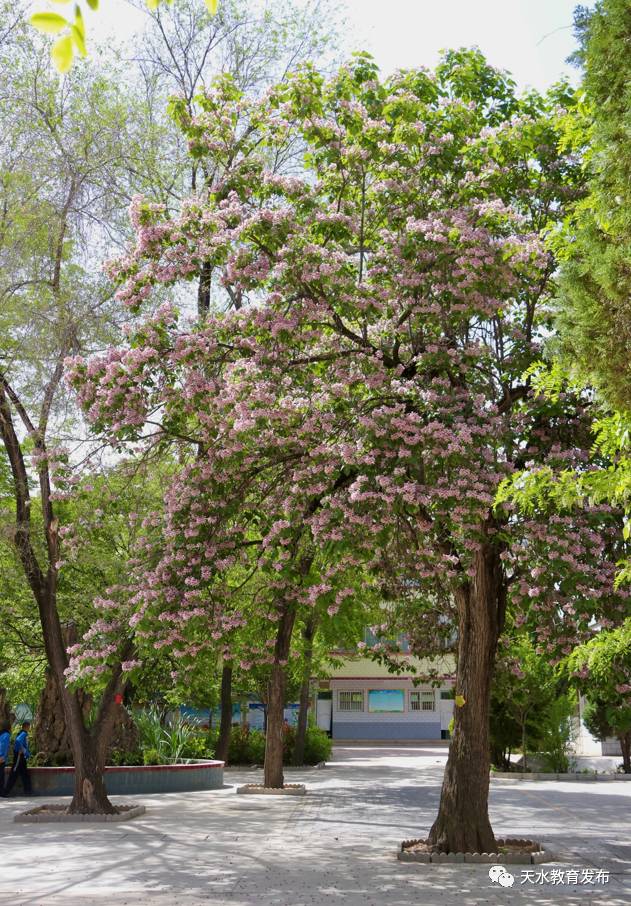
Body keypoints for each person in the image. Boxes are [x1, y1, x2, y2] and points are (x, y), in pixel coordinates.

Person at [3, 720, 32, 796]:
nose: (30, 728)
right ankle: (6, 792)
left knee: (25, 774)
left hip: (22, 758)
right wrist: (22, 750)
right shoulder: (23, 733)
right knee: (14, 774)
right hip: (19, 757)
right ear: (27, 726)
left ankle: (28, 791)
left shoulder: (23, 733)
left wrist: (26, 753)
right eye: (29, 726)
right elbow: (18, 740)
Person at [0, 721, 10, 797]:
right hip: (1, 758)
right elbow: (4, 746)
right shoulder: (6, 735)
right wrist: (2, 756)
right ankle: (2, 792)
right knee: (1, 776)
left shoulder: (1, 734)